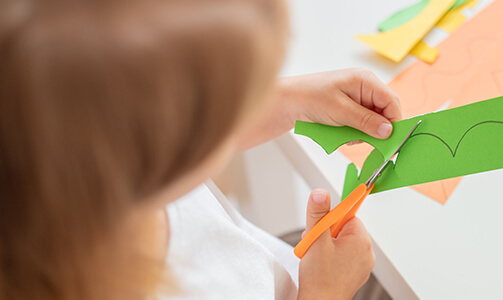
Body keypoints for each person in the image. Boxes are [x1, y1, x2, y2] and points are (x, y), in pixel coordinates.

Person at [0, 0, 401, 299]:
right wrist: (324, 295)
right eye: (234, 107)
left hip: (284, 266)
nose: (249, 105)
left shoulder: (91, 172)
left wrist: (294, 100)